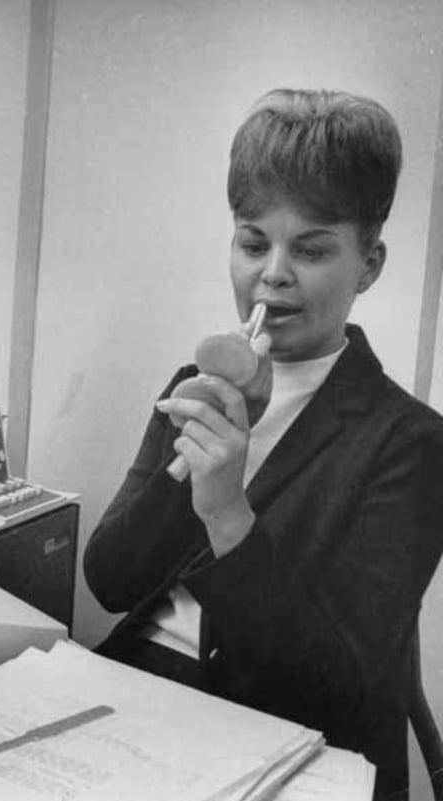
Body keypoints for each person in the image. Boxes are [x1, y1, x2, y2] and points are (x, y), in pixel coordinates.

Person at [83, 88, 443, 801]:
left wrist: (226, 511)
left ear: (368, 265)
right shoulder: (198, 380)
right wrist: (181, 472)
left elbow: (332, 689)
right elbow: (109, 579)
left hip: (284, 741)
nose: (272, 272)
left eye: (310, 249)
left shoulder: (412, 442)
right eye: (253, 242)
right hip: (144, 701)